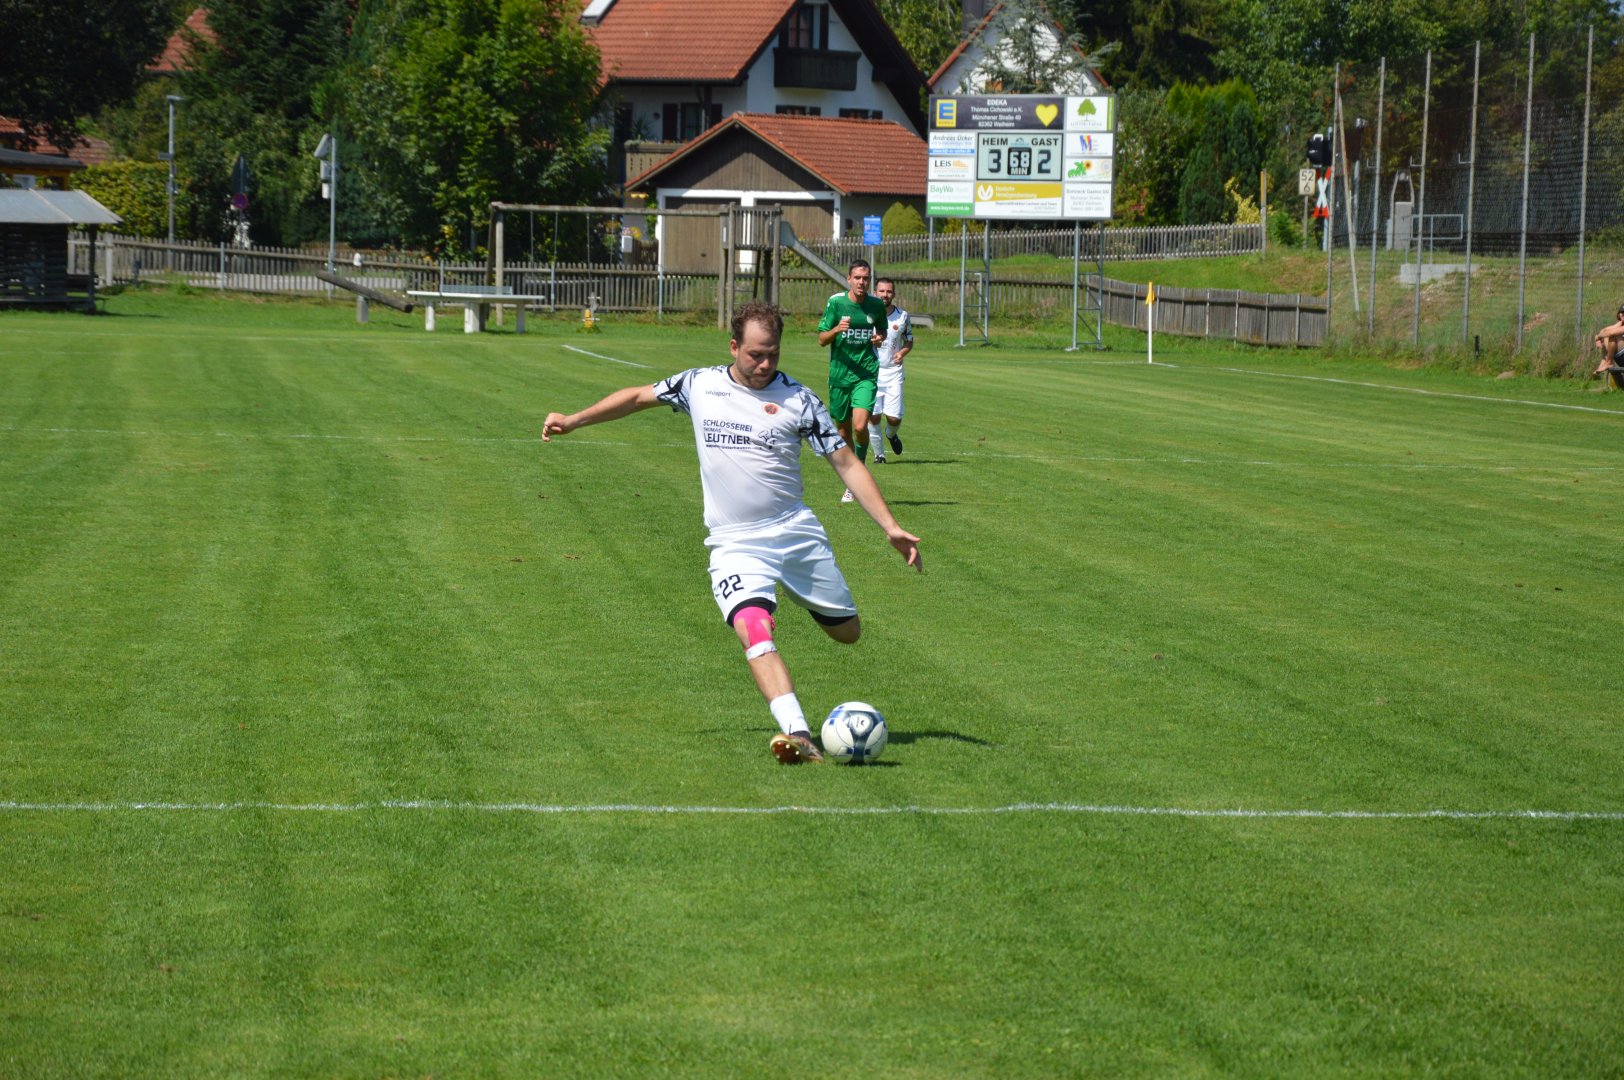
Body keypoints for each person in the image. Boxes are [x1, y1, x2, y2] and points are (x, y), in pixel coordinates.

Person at [541, 301, 922, 765]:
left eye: (773, 354)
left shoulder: (799, 401)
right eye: (755, 354)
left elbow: (845, 462)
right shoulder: (699, 385)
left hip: (796, 534)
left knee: (848, 634)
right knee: (752, 628)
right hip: (735, 543)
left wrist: (890, 526)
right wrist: (574, 420)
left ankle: (799, 597)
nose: (765, 364)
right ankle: (798, 733)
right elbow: (638, 397)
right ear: (734, 346)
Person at [817, 260, 887, 502]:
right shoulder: (836, 303)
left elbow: (882, 330)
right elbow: (822, 339)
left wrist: (879, 338)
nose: (861, 282)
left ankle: (859, 472)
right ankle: (852, 478)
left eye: (865, 278)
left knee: (859, 426)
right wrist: (836, 329)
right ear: (848, 279)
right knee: (843, 430)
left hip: (866, 373)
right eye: (857, 277)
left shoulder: (876, 305)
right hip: (840, 375)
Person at [868, 277, 914, 464]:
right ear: (875, 293)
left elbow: (909, 340)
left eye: (888, 291)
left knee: (894, 418)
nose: (885, 295)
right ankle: (879, 455)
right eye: (881, 291)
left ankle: (891, 434)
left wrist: (902, 353)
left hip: (893, 372)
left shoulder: (902, 316)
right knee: (873, 416)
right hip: (871, 372)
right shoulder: (867, 314)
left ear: (893, 294)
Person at [1593, 304, 1624, 389]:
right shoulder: (1620, 324)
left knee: (1612, 335)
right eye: (1622, 312)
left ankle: (1608, 362)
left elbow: (1611, 333)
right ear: (1619, 314)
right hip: (1621, 357)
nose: (1623, 314)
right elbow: (1605, 330)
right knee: (1607, 336)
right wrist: (1598, 339)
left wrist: (1598, 337)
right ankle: (1605, 361)